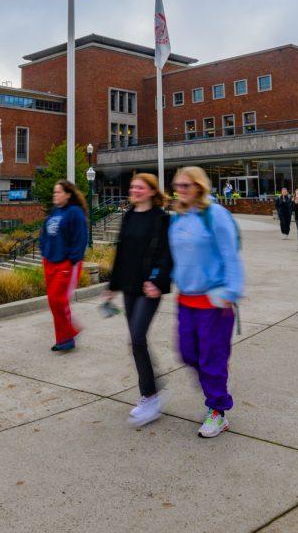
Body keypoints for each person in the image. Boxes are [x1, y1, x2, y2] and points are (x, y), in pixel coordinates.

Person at [169, 166, 244, 438]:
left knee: (211, 359)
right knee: (188, 354)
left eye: (186, 185)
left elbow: (231, 255)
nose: (180, 190)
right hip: (186, 300)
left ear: (199, 187)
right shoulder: (178, 218)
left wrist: (231, 291)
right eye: (177, 185)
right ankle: (217, 372)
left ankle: (217, 410)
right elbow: (176, 257)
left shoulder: (216, 215)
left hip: (214, 302)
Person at [103, 173, 173, 428]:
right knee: (135, 341)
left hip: (149, 288)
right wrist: (111, 286)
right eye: (133, 187)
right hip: (130, 287)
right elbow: (121, 253)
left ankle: (150, 396)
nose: (135, 190)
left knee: (137, 337)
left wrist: (157, 280)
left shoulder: (161, 219)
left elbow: (166, 255)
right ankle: (153, 389)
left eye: (140, 187)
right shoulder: (129, 215)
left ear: (152, 191)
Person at [40, 179, 89, 352]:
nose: (55, 195)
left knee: (58, 299)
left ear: (68, 194)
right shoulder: (55, 212)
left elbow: (81, 238)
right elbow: (44, 234)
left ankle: (67, 336)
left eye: (59, 192)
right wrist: (44, 252)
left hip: (65, 263)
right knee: (54, 302)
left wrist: (73, 259)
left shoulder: (74, 212)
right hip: (50, 262)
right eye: (54, 192)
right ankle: (65, 337)